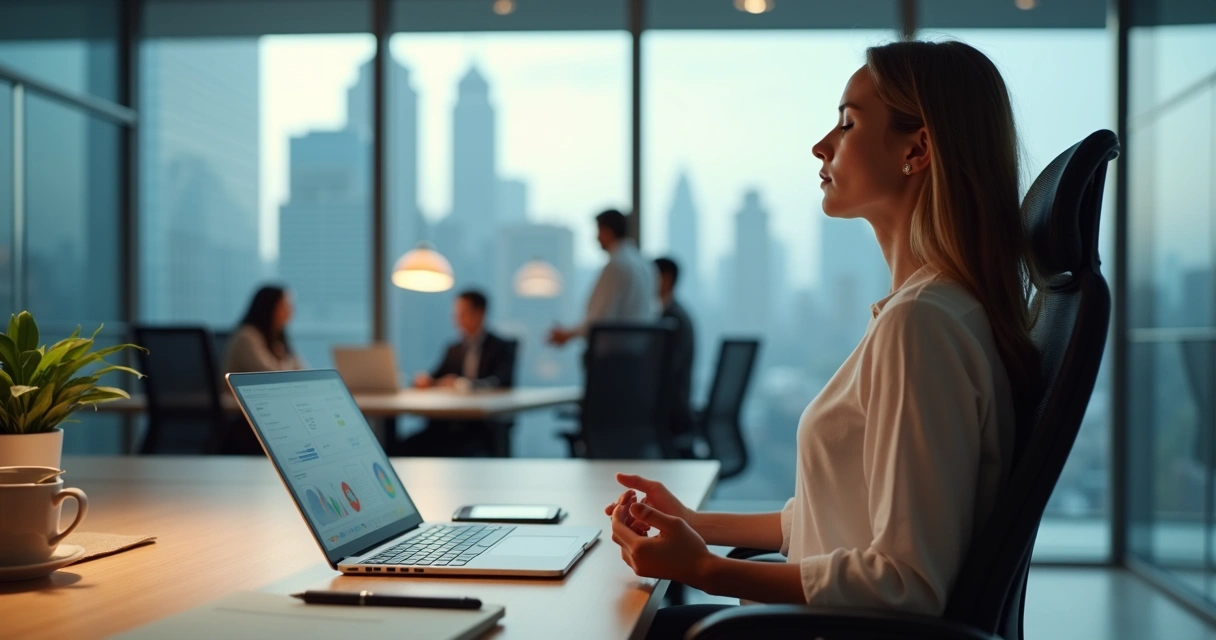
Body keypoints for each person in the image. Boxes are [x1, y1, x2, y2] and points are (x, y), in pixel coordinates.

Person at [604, 40, 1042, 638]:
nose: (821, 144)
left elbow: (907, 584)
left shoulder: (921, 325)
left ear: (916, 150)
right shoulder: (926, 312)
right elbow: (831, 518)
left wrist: (705, 570)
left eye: (848, 123)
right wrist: (695, 523)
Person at [397, 290, 516, 457]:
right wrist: (427, 380)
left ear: (480, 314)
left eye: (462, 314)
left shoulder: (501, 347)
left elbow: (500, 381)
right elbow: (437, 375)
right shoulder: (454, 348)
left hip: (483, 428)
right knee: (402, 447)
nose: (457, 319)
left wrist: (461, 383)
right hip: (449, 425)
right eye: (456, 314)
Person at [548, 209, 658, 347]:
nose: (597, 238)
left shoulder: (617, 265)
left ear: (607, 231)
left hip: (615, 351)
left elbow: (600, 319)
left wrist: (567, 335)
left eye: (599, 231)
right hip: (640, 350)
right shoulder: (645, 265)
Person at [654, 257, 696, 444]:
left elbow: (665, 370)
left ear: (666, 278)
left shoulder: (672, 320)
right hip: (674, 406)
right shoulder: (673, 313)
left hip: (672, 412)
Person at [223, 285, 305, 374]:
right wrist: (288, 363)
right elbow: (269, 374)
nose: (290, 311)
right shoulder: (247, 337)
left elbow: (303, 371)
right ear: (269, 307)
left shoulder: (278, 337)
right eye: (285, 305)